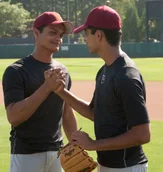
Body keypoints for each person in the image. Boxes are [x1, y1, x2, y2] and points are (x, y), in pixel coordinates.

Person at [48, 5, 151, 172]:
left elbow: (142, 134)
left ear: (99, 35)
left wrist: (93, 144)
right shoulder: (105, 70)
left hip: (127, 167)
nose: (84, 39)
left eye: (86, 33)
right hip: (108, 165)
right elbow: (94, 113)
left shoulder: (126, 76)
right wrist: (61, 91)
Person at [1, 11, 78, 172]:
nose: (58, 38)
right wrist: (46, 87)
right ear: (36, 33)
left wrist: (75, 146)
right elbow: (14, 117)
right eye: (52, 32)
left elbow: (67, 114)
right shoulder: (16, 71)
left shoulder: (63, 71)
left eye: (60, 34)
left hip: (57, 153)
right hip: (26, 154)